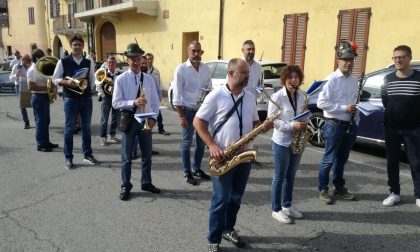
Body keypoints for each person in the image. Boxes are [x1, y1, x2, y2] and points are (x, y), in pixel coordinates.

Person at [194, 58, 272, 252]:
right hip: (223, 156)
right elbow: (198, 122)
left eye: (248, 73)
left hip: (244, 154)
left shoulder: (249, 97)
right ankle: (214, 239)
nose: (248, 76)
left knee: (236, 197)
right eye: (244, 73)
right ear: (230, 74)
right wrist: (212, 144)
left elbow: (254, 123)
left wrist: (262, 127)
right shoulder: (215, 96)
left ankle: (228, 229)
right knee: (220, 200)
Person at [112, 43, 161, 201]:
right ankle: (125, 185)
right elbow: (116, 103)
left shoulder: (149, 79)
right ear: (127, 60)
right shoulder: (121, 79)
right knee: (126, 157)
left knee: (147, 155)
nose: (135, 61)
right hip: (130, 120)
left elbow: (154, 101)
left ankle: (146, 182)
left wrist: (153, 118)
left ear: (142, 60)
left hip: (145, 119)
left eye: (138, 58)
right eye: (132, 59)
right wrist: (133, 102)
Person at [317, 41, 359, 204]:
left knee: (341, 160)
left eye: (351, 59)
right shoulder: (331, 79)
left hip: (349, 125)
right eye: (345, 59)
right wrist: (344, 108)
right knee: (328, 159)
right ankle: (323, 189)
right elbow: (321, 103)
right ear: (338, 61)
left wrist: (356, 115)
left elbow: (354, 101)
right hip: (334, 124)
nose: (348, 62)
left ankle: (339, 188)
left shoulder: (354, 80)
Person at [381, 45, 420, 208]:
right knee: (392, 162)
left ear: (409, 58)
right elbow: (385, 101)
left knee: (416, 162)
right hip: (392, 128)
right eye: (395, 57)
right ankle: (394, 193)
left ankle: (418, 195)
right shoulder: (388, 79)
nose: (398, 60)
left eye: (402, 57)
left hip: (414, 129)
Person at [52, 35, 98, 170]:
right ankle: (68, 158)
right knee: (69, 129)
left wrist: (87, 88)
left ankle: (87, 155)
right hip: (70, 99)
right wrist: (67, 82)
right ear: (71, 47)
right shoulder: (63, 61)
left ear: (83, 46)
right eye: (75, 45)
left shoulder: (89, 62)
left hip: (86, 99)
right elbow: (55, 78)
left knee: (86, 128)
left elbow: (92, 80)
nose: (77, 47)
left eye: (79, 44)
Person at [268, 65, 306, 223]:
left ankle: (287, 205)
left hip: (296, 141)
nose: (293, 80)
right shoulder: (277, 97)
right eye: (290, 77)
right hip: (281, 142)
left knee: (290, 176)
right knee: (279, 177)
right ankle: (276, 209)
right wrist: (292, 125)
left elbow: (304, 114)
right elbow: (272, 120)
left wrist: (305, 123)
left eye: (296, 77)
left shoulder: (302, 96)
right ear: (284, 79)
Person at [172, 40, 211, 185]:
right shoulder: (181, 69)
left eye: (198, 51)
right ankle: (187, 172)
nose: (196, 54)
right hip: (187, 111)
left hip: (203, 112)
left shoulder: (206, 68)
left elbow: (209, 88)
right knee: (187, 143)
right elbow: (177, 96)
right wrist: (181, 116)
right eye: (193, 51)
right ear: (188, 52)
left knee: (201, 143)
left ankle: (196, 168)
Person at [27, 49, 59, 152]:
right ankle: (41, 144)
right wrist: (47, 88)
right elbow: (31, 86)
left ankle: (46, 142)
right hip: (38, 97)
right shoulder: (32, 70)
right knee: (41, 122)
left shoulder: (40, 69)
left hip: (44, 97)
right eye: (42, 57)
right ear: (37, 58)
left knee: (46, 121)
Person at [96, 56, 121, 146]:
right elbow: (98, 86)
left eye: (113, 62)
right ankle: (103, 138)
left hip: (116, 99)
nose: (111, 64)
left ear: (115, 64)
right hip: (106, 99)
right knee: (104, 119)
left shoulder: (119, 74)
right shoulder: (103, 73)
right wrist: (103, 96)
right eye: (109, 62)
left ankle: (112, 136)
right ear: (107, 63)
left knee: (115, 118)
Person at [145, 52, 170, 135]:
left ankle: (161, 129)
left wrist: (160, 96)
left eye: (151, 59)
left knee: (158, 113)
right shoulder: (143, 70)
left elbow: (159, 84)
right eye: (148, 59)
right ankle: (148, 128)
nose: (149, 60)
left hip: (155, 95)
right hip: (146, 95)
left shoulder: (156, 71)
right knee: (147, 113)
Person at [9, 53, 33, 129]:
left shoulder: (31, 66)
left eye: (30, 60)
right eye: (28, 60)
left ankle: (37, 120)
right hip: (19, 85)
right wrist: (16, 75)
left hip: (30, 85)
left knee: (34, 103)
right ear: (23, 60)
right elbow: (10, 78)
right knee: (22, 105)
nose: (29, 61)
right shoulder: (17, 66)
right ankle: (26, 122)